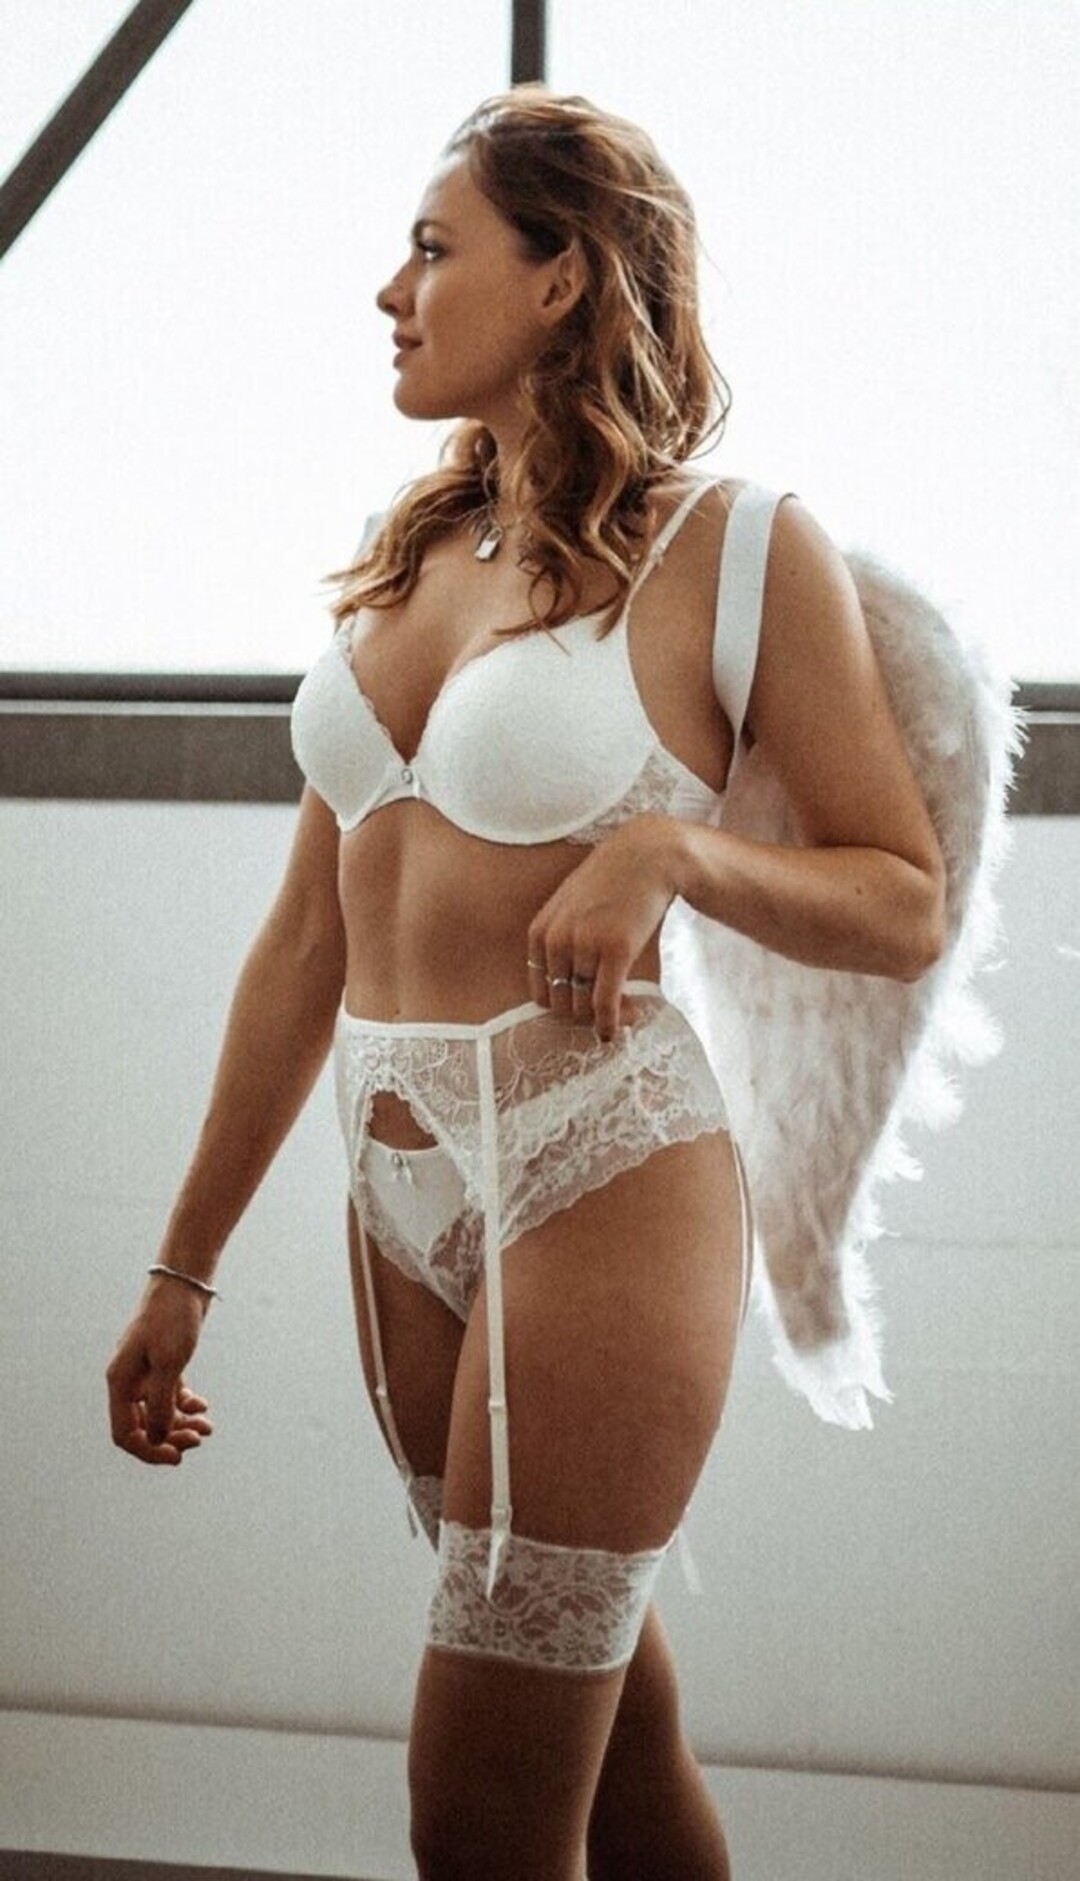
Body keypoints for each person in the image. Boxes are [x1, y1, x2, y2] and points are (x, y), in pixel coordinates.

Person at [106, 89, 946, 1881]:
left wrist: (675, 856)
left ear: (563, 277)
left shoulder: (736, 547)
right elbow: (306, 942)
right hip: (396, 1186)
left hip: (604, 1165)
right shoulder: (405, 556)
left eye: (434, 248)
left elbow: (901, 899)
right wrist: (183, 1264)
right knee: (613, 1755)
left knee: (478, 1815)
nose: (389, 290)